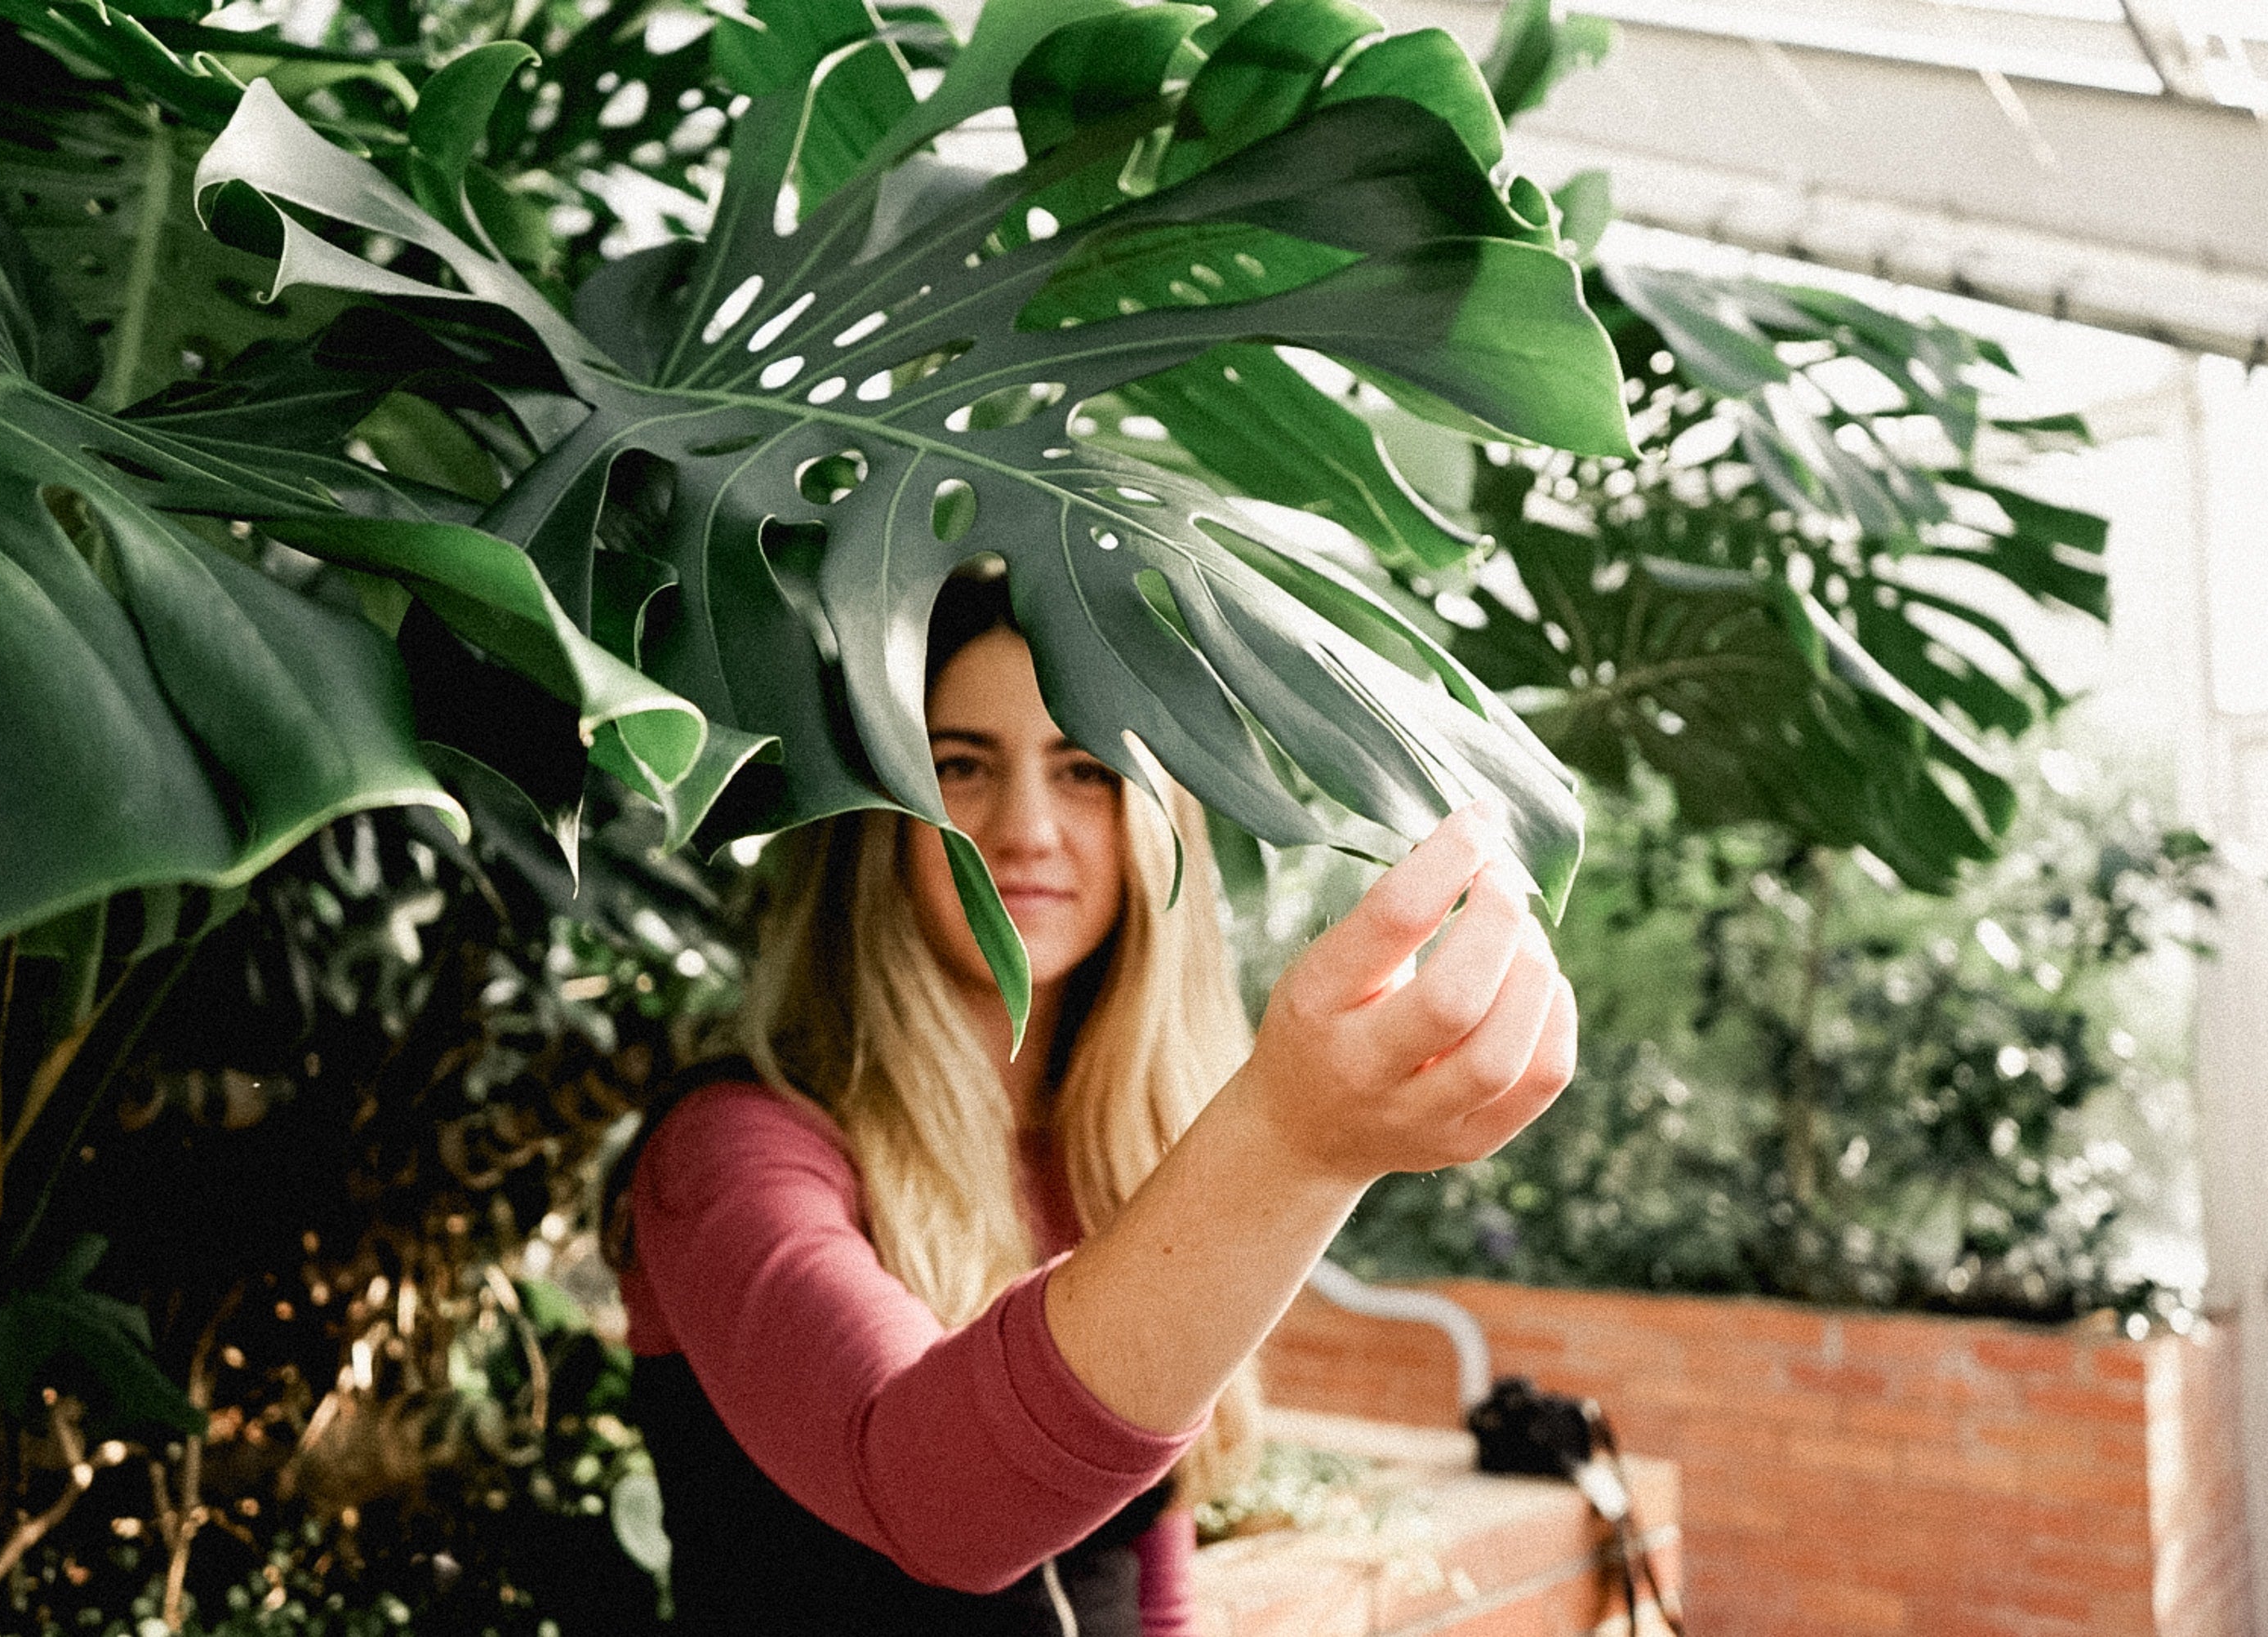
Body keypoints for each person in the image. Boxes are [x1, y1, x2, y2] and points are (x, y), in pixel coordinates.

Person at [607, 570, 1576, 1635]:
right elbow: (937, 1501)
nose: (1026, 828)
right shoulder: (729, 1150)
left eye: (1083, 770)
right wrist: (1295, 1143)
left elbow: (1152, 1593)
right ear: (875, 817)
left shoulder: (1118, 1153)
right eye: (961, 765)